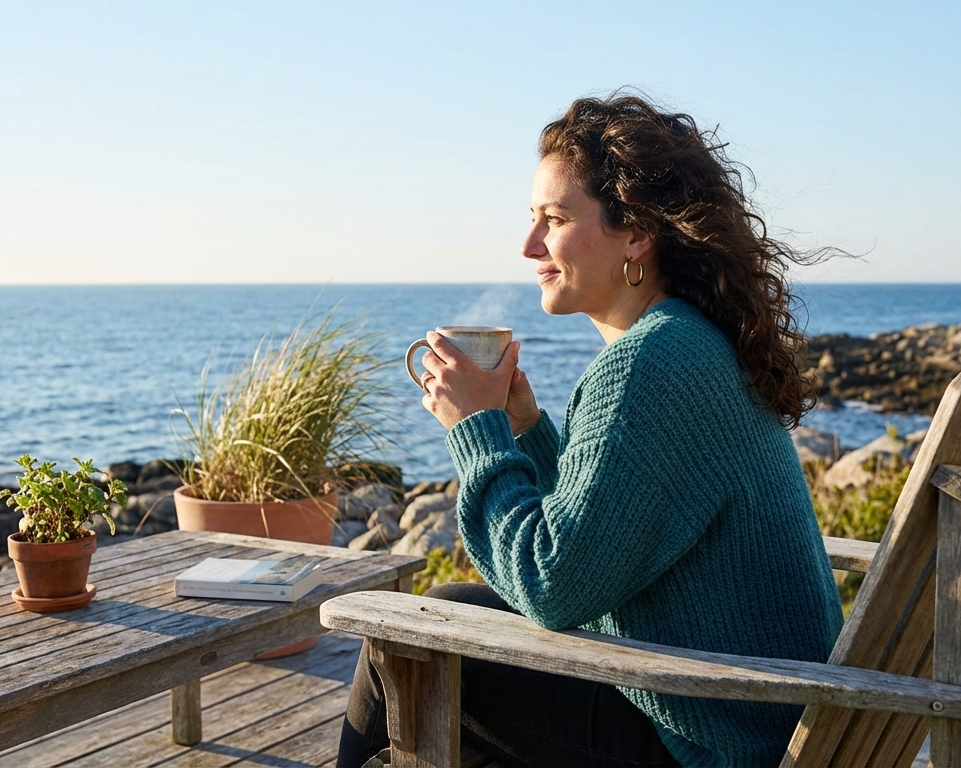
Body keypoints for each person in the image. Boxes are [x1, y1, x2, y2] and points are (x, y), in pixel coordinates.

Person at [337, 94, 845, 767]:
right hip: (746, 710)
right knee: (446, 607)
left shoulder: (651, 364)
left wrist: (479, 430)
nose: (529, 245)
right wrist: (524, 427)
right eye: (531, 220)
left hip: (710, 738)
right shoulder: (686, 341)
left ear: (636, 233)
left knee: (402, 644)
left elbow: (554, 584)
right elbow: (605, 532)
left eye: (555, 219)